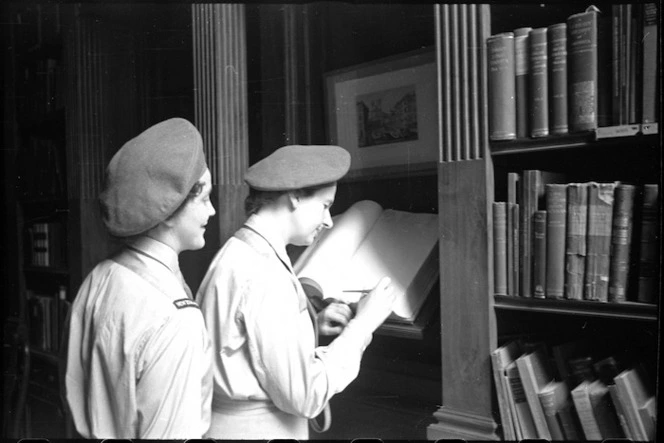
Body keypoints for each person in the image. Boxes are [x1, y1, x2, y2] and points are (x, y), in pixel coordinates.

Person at [196, 144, 397, 439]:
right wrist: (363, 325)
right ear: (295, 197)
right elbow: (305, 395)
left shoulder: (239, 250)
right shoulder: (265, 273)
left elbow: (244, 349)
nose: (329, 221)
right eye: (325, 205)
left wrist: (311, 325)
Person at [61, 118, 216, 438]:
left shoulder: (99, 277)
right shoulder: (175, 319)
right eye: (204, 198)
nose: (212, 211)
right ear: (170, 210)